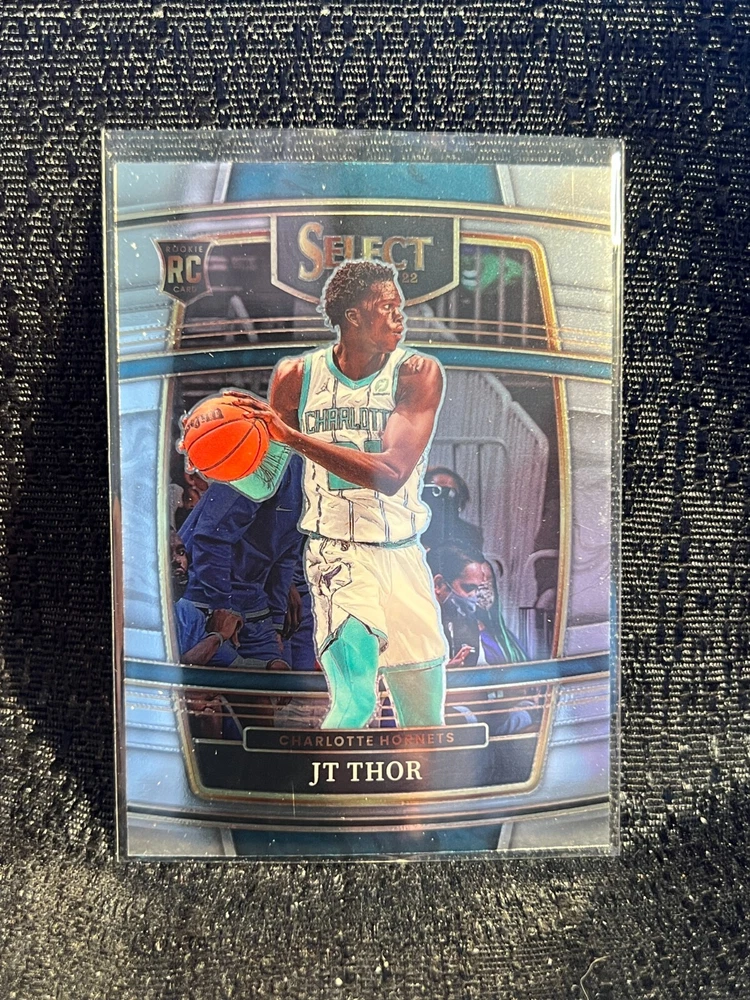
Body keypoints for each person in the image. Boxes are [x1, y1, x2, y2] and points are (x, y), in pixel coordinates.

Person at [225, 259, 448, 730]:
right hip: (338, 554)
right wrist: (215, 458)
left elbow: (391, 473)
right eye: (387, 307)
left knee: (424, 723)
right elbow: (263, 482)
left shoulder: (416, 373)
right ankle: (317, 779)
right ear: (353, 316)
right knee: (355, 704)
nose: (400, 316)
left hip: (405, 554)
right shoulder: (296, 376)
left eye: (400, 306)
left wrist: (295, 438)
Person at [421, 466, 483, 551]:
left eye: (450, 493)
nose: (443, 499)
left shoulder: (470, 533)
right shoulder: (412, 527)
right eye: (436, 491)